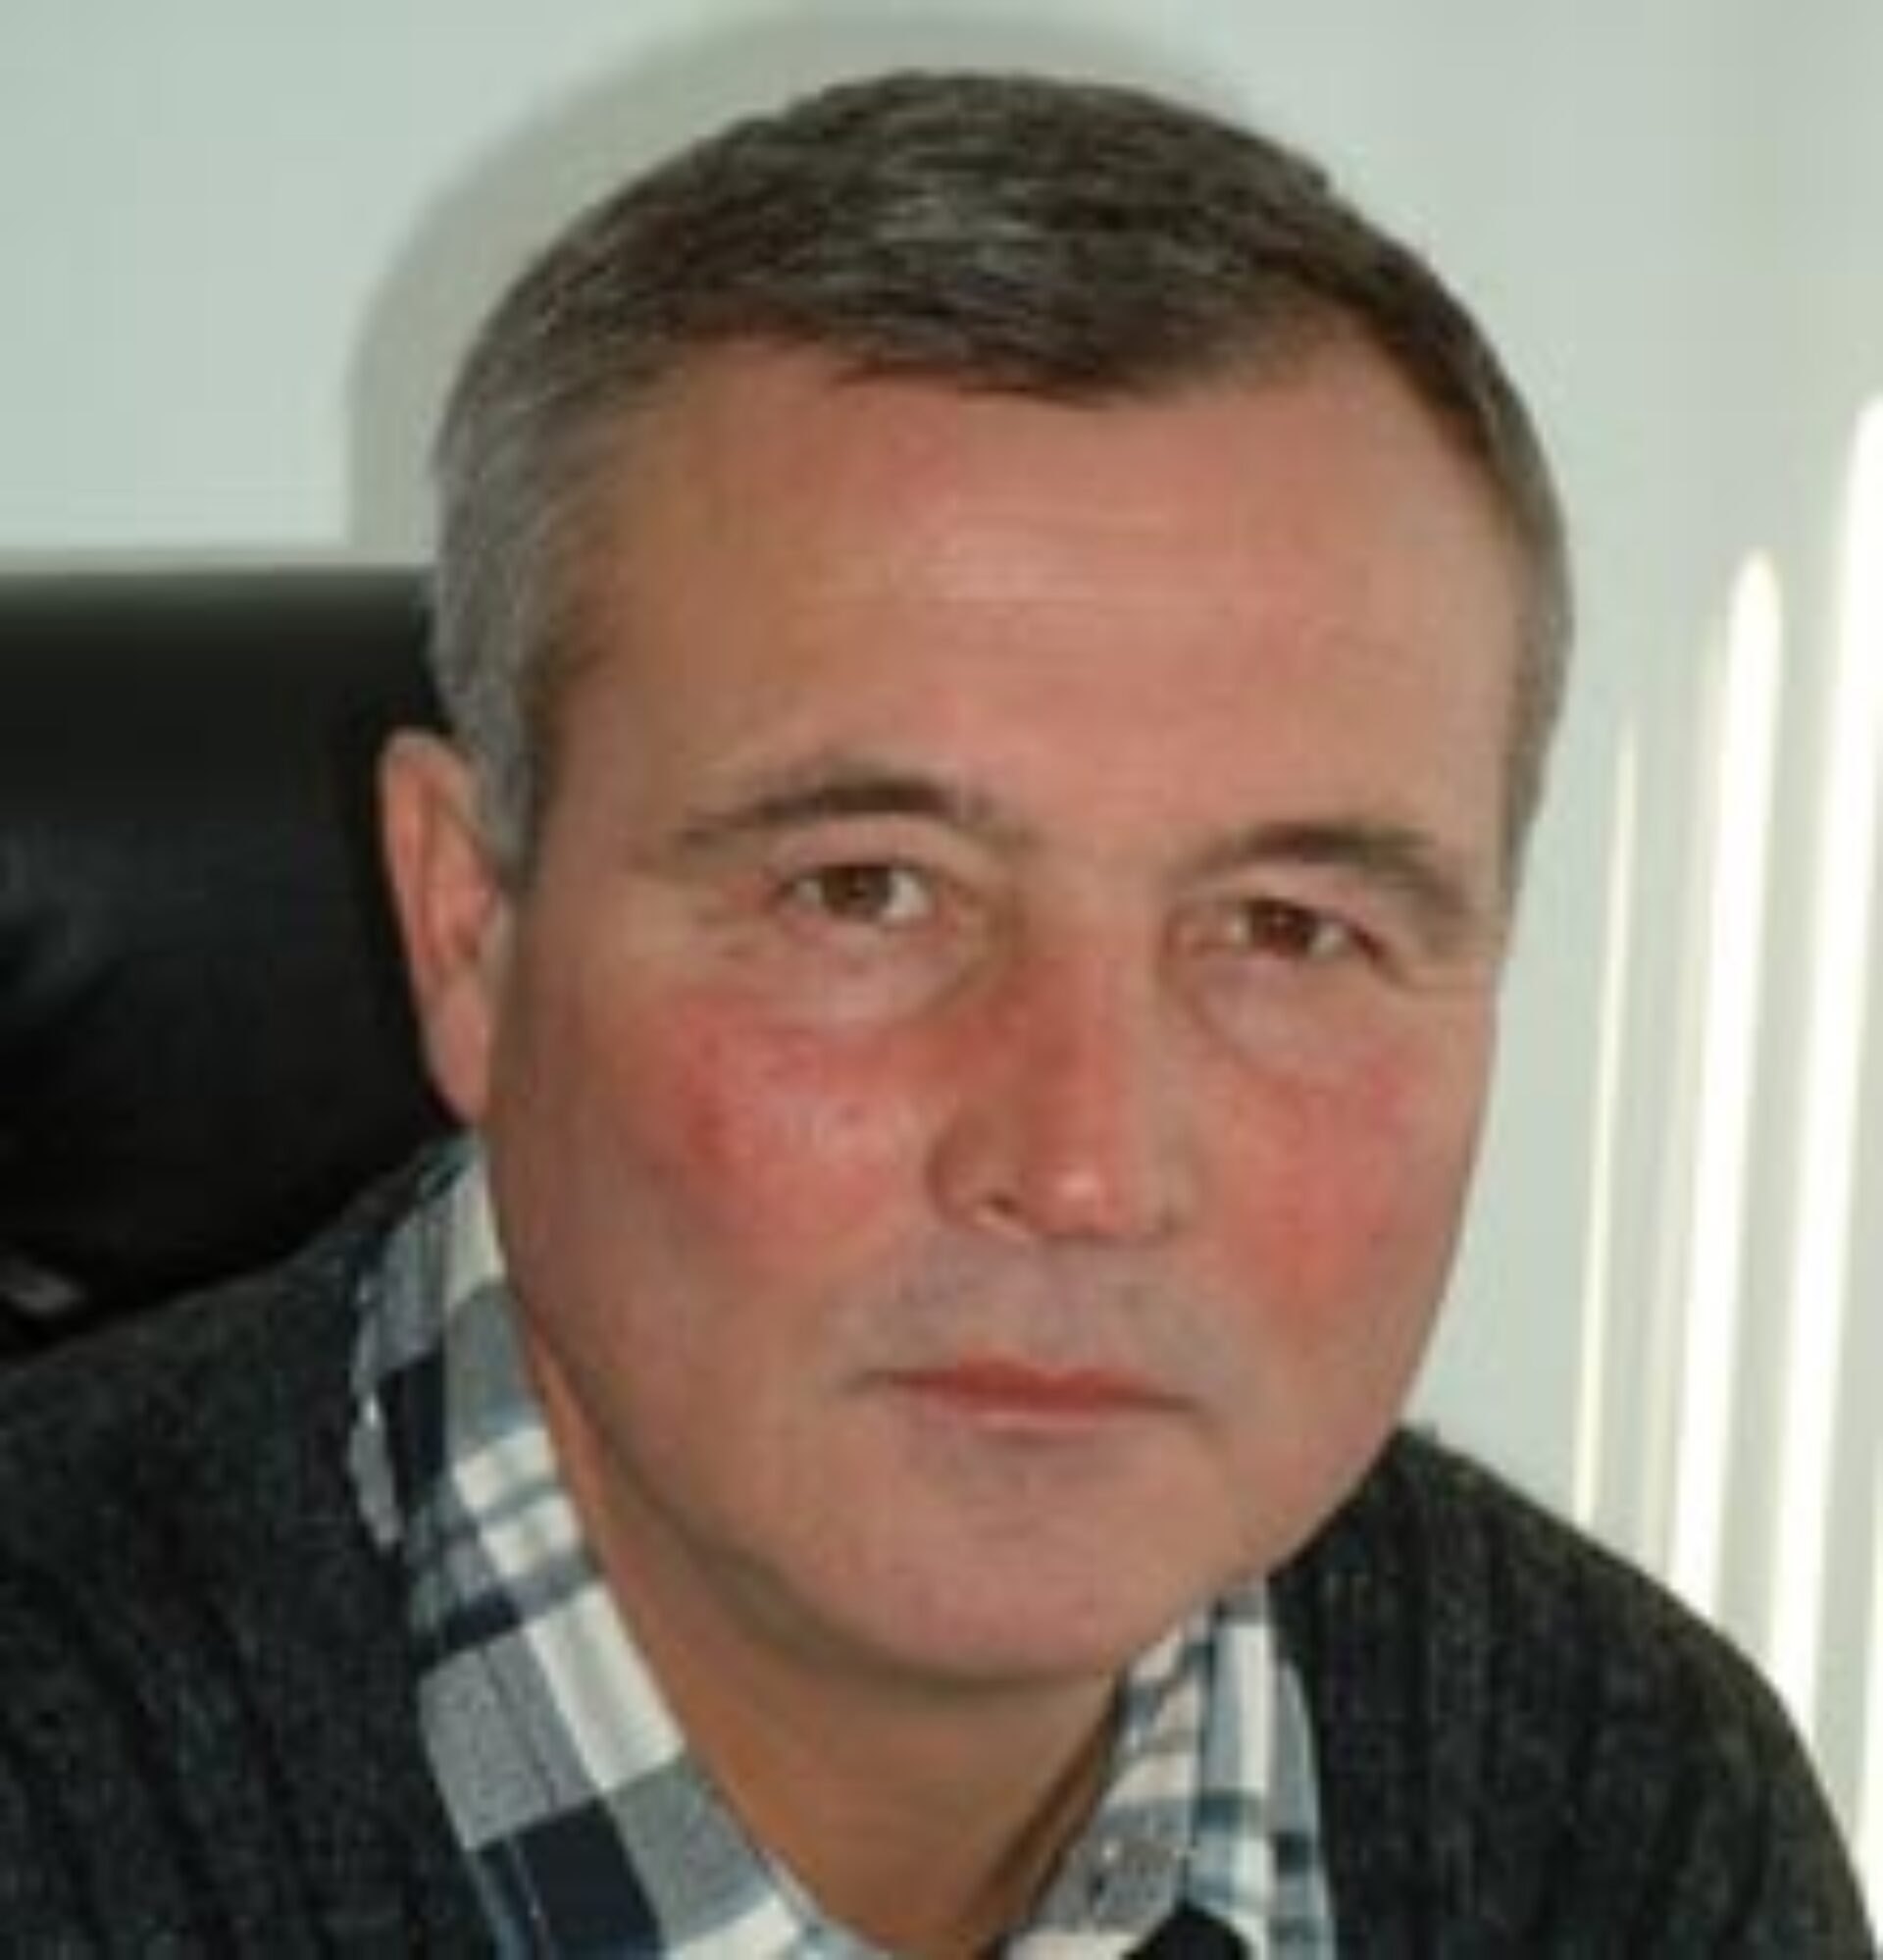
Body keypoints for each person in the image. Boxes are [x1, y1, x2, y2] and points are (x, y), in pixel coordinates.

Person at [0, 71, 1869, 1959]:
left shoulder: (1630, 1822)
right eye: (865, 892)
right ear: (470, 925)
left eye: (1287, 928)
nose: (1082, 1168)